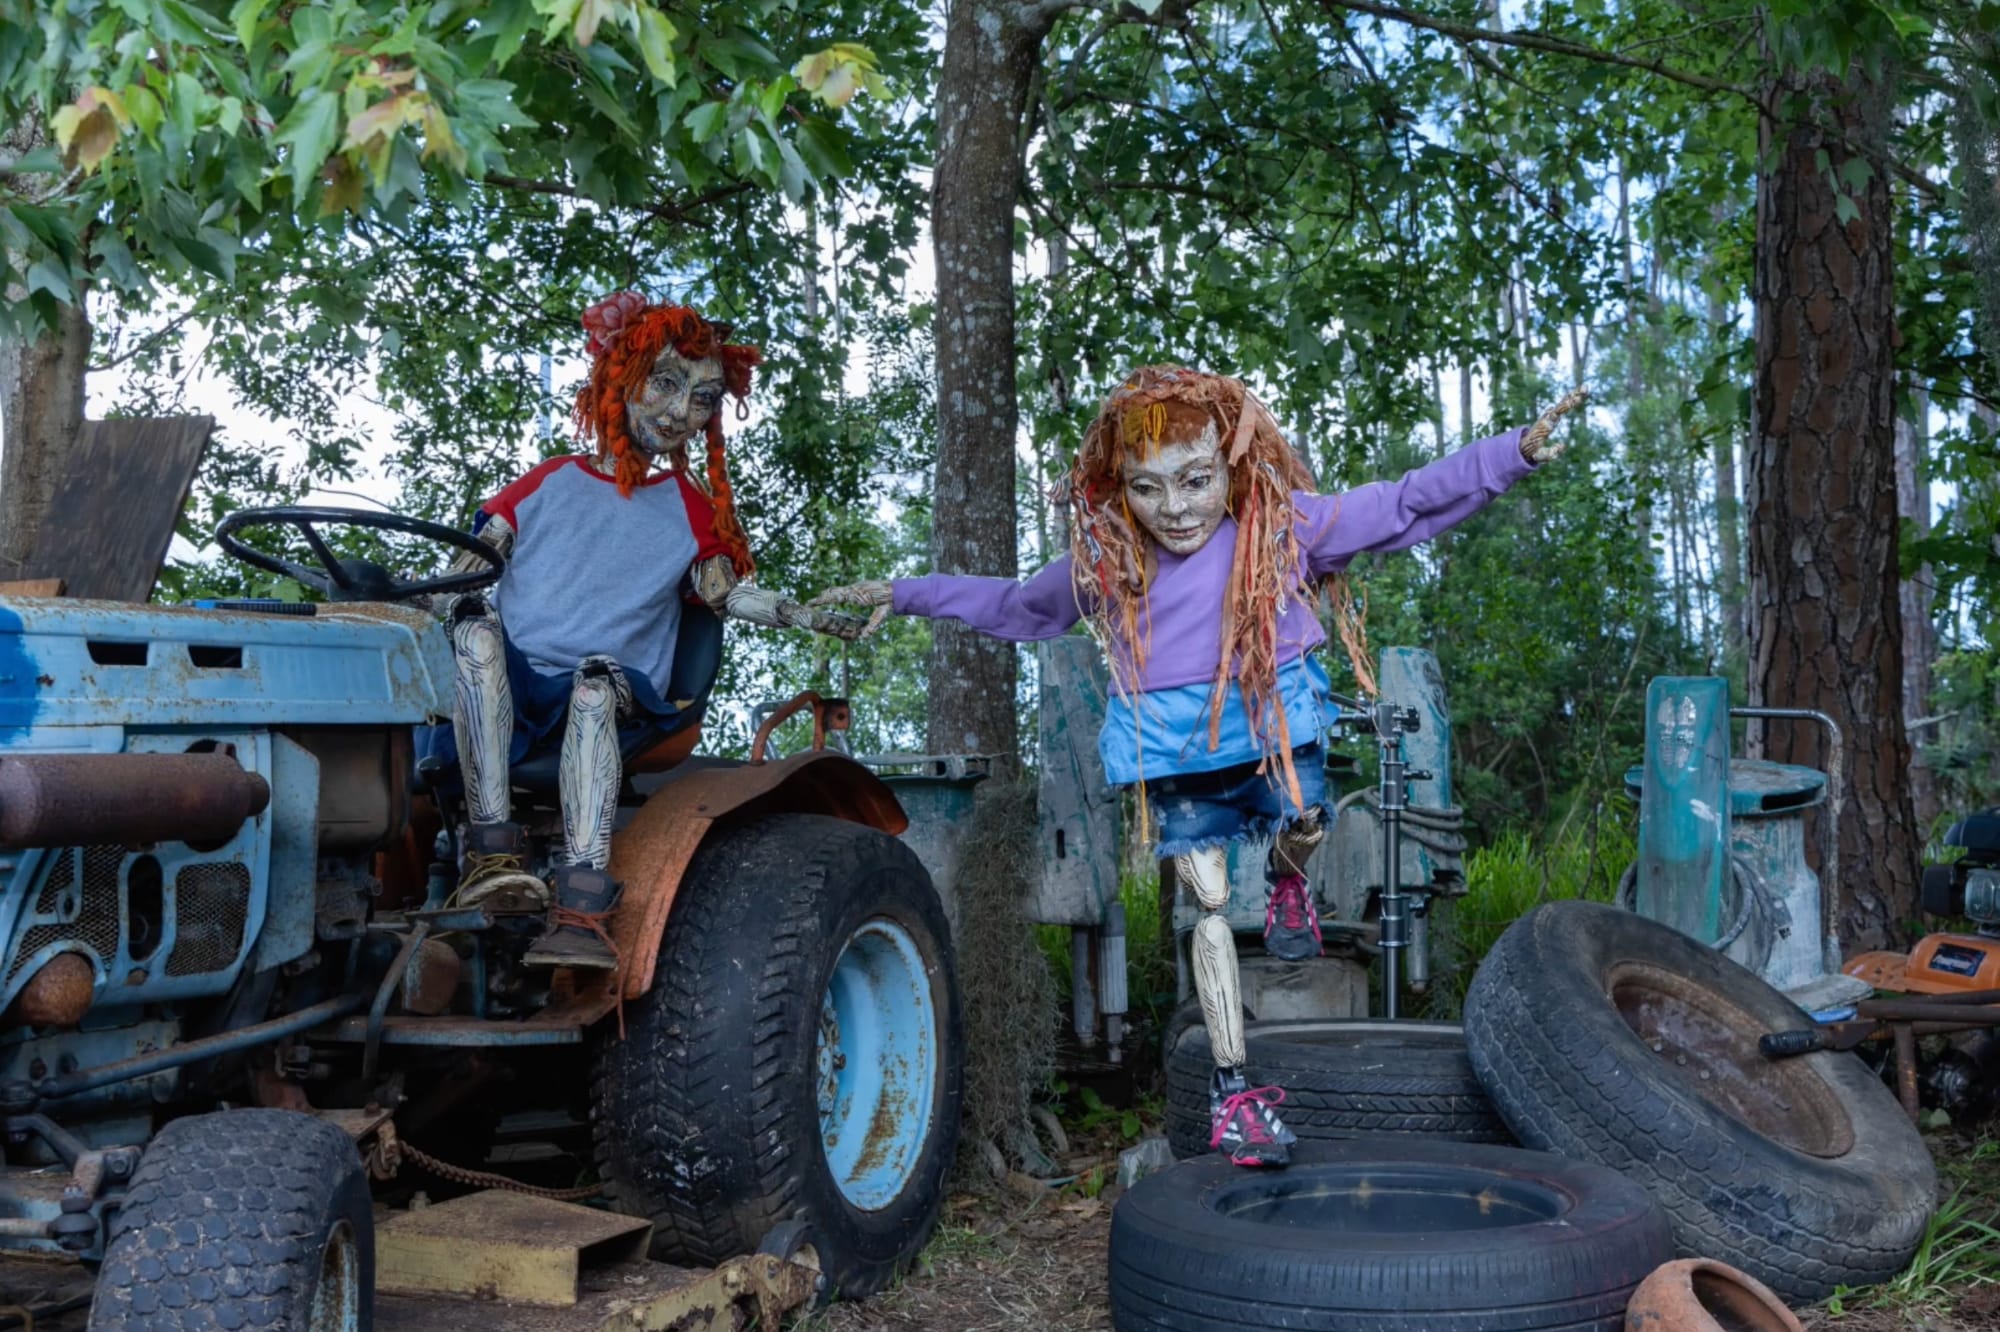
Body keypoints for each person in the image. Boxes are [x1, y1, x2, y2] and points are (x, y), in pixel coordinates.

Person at [813, 366, 1587, 1166]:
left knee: (1308, 821)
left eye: (1196, 480)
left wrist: (1513, 453)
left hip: (1273, 730)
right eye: (1148, 489)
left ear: (1232, 465)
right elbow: (1016, 606)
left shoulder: (1279, 533)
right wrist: (905, 592)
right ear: (1121, 489)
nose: (1174, 509)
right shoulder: (1112, 565)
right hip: (1174, 753)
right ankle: (1234, 1089)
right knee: (1210, 910)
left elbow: (1404, 506)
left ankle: (1291, 886)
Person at [441, 292, 865, 971]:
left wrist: (802, 614)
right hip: (514, 692)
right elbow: (458, 577)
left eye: (701, 400)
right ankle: (491, 856)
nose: (678, 413)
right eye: (666, 384)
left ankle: (583, 901)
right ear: (621, 378)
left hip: (616, 694)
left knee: (593, 686)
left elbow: (726, 595)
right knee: (471, 629)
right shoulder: (546, 484)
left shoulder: (690, 510)